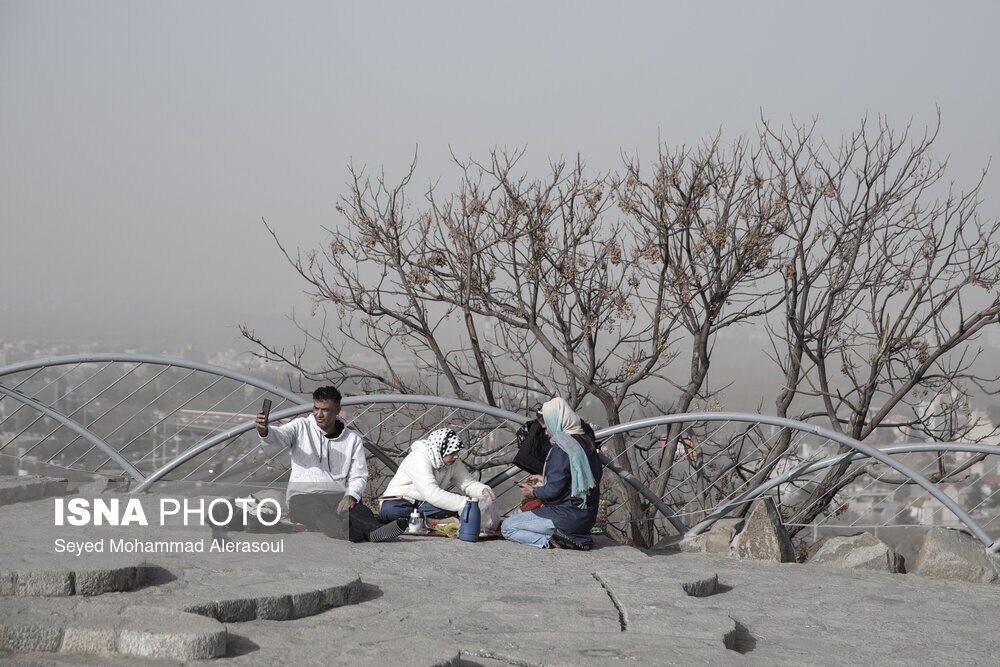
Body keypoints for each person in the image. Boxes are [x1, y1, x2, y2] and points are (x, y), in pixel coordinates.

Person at [255, 386, 407, 542]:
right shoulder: (300, 426)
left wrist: (351, 495)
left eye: (325, 410)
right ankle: (346, 532)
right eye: (316, 408)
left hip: (337, 496)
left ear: (337, 410)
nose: (318, 414)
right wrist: (264, 430)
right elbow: (279, 435)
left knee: (359, 511)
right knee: (318, 512)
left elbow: (359, 474)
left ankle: (375, 531)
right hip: (302, 497)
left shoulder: (352, 439)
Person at [501, 397, 603, 550]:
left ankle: (554, 541)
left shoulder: (562, 446)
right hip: (586, 518)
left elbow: (553, 491)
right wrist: (545, 479)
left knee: (508, 527)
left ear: (556, 422)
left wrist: (533, 491)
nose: (547, 433)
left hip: (565, 517)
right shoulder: (587, 442)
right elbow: (578, 479)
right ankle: (575, 537)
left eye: (546, 427)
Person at [378, 428, 495, 522]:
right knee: (391, 511)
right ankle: (435, 522)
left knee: (455, 500)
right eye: (452, 452)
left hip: (425, 506)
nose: (456, 456)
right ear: (440, 450)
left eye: (457, 452)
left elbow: (468, 483)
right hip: (400, 502)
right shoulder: (418, 457)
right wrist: (467, 504)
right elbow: (431, 493)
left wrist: (482, 490)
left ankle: (421, 522)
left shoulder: (453, 462)